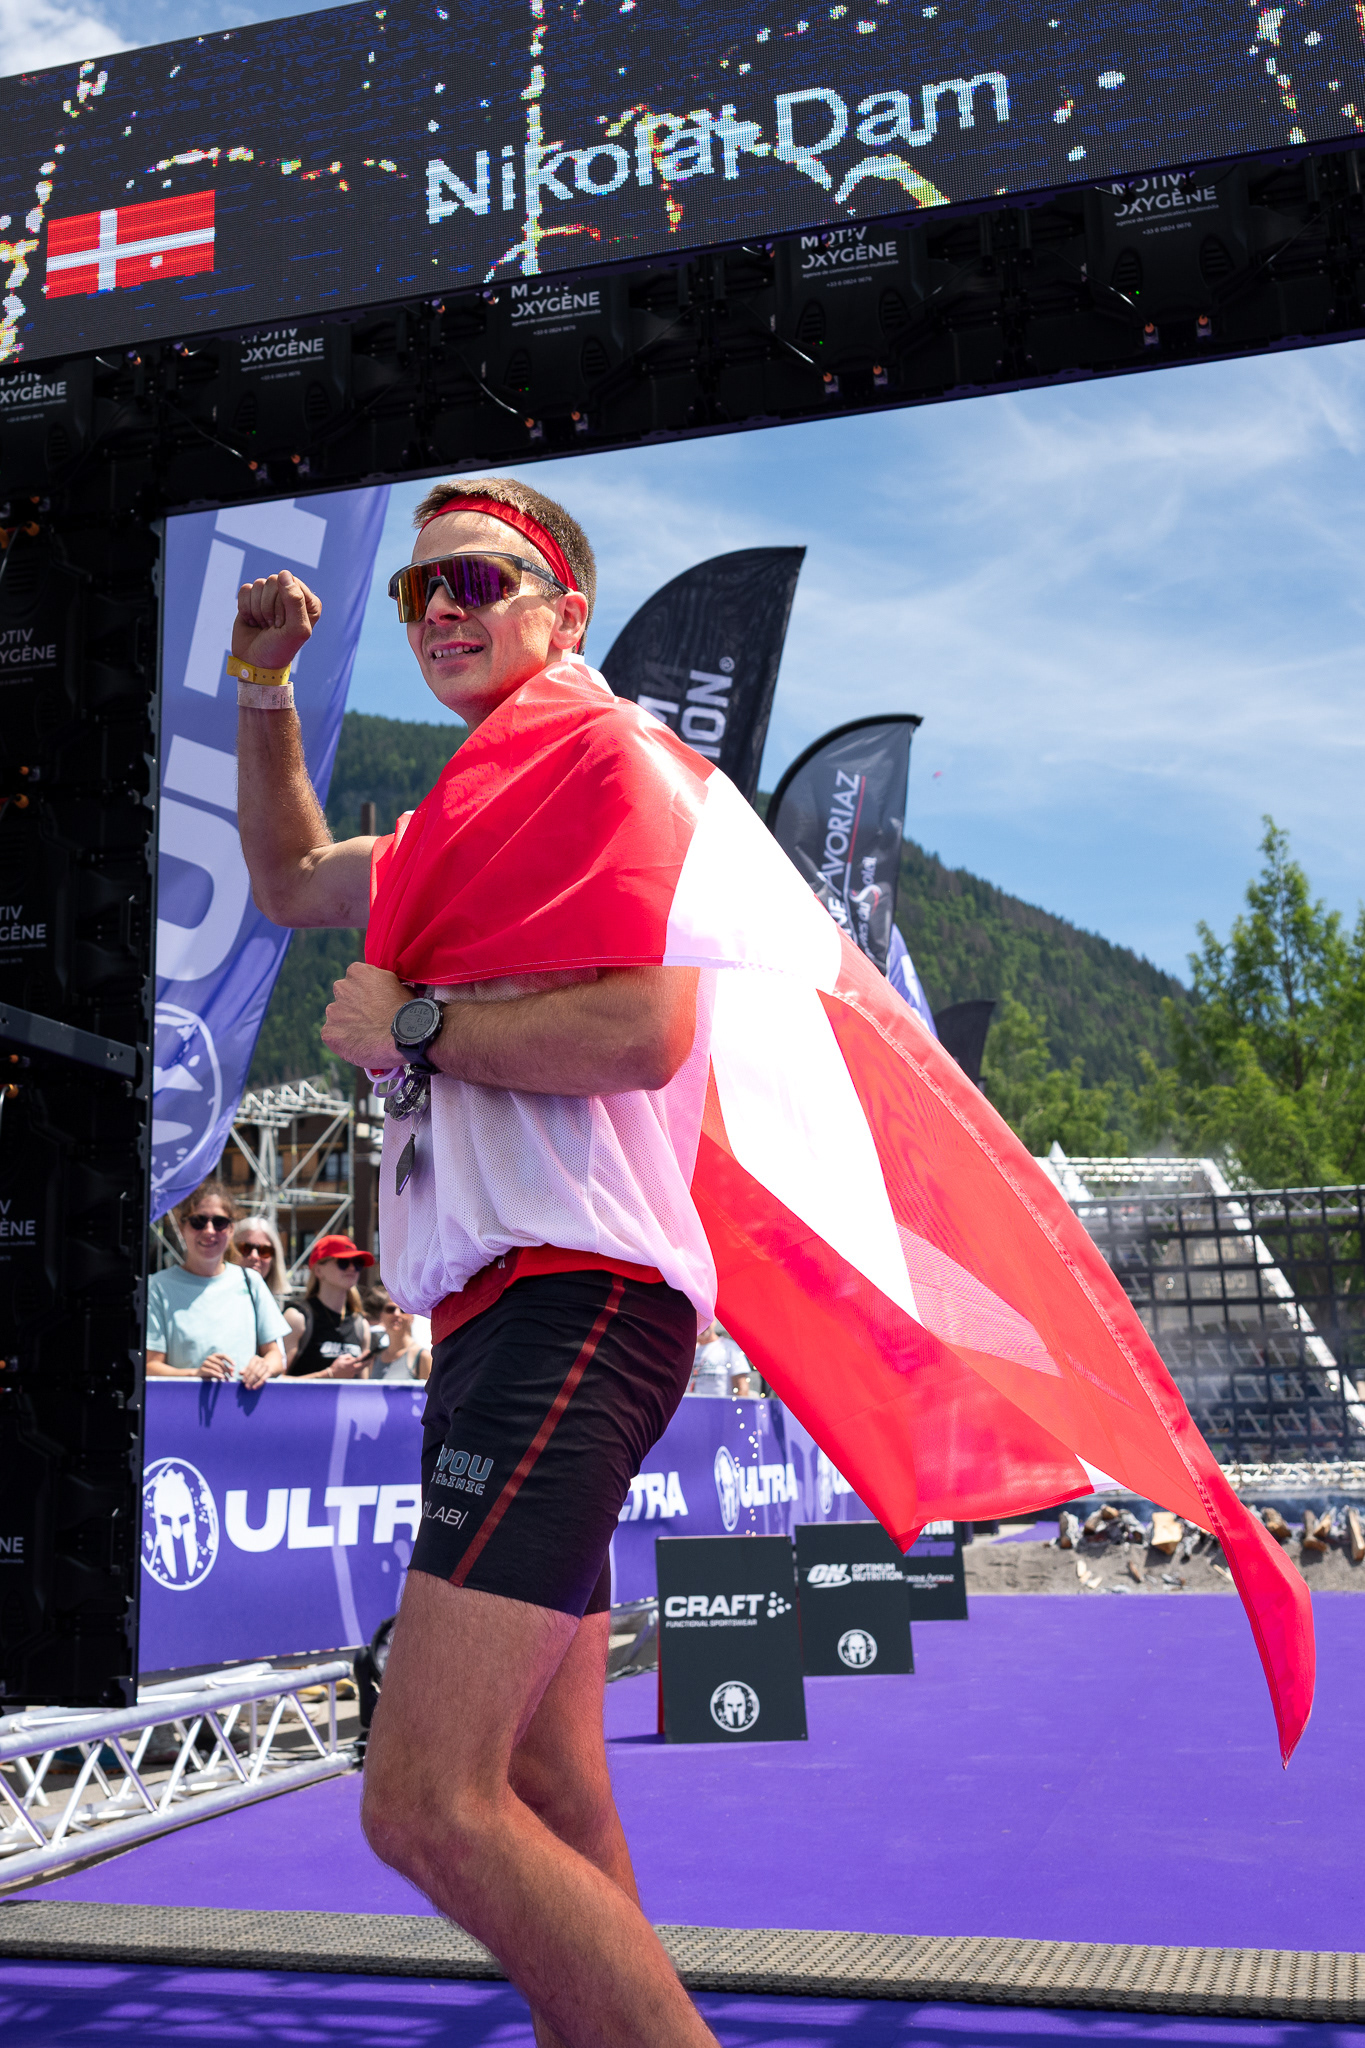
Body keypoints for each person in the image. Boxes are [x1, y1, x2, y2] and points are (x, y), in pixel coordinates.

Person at [234, 475, 719, 2048]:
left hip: (577, 1294)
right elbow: (290, 880)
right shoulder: (457, 826)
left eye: (479, 581)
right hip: (508, 1307)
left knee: (427, 1803)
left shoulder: (607, 757)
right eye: (417, 589)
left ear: (564, 613)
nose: (441, 610)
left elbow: (644, 1031)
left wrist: (419, 1024)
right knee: (544, 1778)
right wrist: (262, 688)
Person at [147, 1179, 289, 1386]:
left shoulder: (251, 1282)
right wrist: (195, 1374)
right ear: (182, 1228)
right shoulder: (158, 1287)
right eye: (198, 1221)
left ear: (231, 1230)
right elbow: (149, 1366)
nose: (209, 1230)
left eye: (219, 1222)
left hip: (242, 1404)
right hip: (184, 1405)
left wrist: (263, 1367)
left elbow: (275, 1356)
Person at [287, 1234, 375, 1380]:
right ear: (318, 1270)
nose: (352, 1268)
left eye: (357, 1263)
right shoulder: (298, 1318)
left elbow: (362, 1386)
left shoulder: (360, 1325)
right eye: (343, 1262)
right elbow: (276, 1381)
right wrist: (329, 1374)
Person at [232, 1214, 306, 1364]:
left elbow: (278, 1365)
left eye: (264, 1251)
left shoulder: (271, 1304)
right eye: (245, 1248)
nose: (254, 1256)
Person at [367, 1293, 432, 1382]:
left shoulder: (423, 1356)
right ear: (382, 1316)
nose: (396, 1314)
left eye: (403, 1310)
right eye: (390, 1309)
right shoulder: (374, 1358)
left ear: (412, 1318)